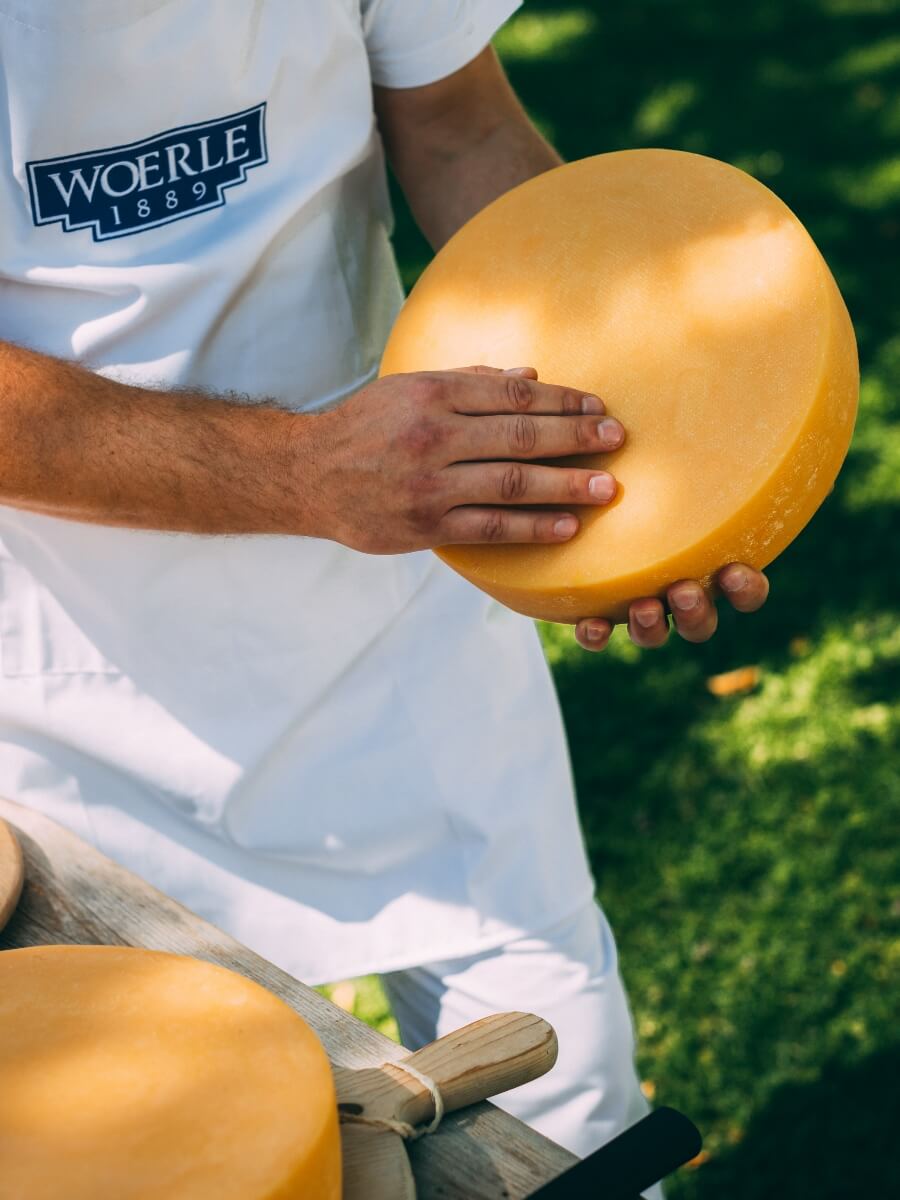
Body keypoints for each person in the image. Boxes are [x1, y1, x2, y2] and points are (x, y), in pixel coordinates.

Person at [0, 0, 768, 1162]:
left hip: (409, 631)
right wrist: (305, 473)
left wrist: (639, 451)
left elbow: (462, 128)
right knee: (179, 1156)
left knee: (574, 1117)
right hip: (70, 690)